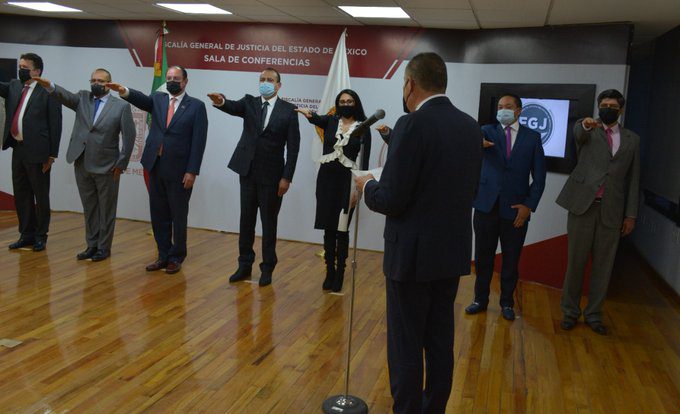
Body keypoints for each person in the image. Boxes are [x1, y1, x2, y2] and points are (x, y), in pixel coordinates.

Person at [355, 52, 482, 414]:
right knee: (440, 341)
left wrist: (367, 185)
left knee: (406, 345)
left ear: (410, 84)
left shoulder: (411, 124)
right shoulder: (470, 126)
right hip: (451, 253)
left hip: (411, 258)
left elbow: (392, 200)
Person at [106, 66, 208, 274]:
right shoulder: (158, 99)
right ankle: (163, 254)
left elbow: (199, 142)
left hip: (180, 170)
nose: (171, 81)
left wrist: (192, 171)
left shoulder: (196, 106)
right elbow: (141, 100)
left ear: (185, 82)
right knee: (158, 213)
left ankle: (176, 256)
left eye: (176, 78)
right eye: (169, 78)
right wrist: (124, 90)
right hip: (155, 165)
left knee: (178, 215)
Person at [556, 89, 640, 335]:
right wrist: (584, 124)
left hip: (612, 211)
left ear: (621, 110)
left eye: (613, 106)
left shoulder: (632, 139)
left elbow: (634, 179)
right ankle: (570, 312)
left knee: (604, 267)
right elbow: (578, 133)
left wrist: (631, 215)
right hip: (583, 207)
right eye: (604, 105)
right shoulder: (588, 129)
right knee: (576, 263)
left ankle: (594, 314)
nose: (608, 109)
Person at [207, 67, 300, 287]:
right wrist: (221, 101)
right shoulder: (249, 102)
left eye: (270, 80)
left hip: (273, 177)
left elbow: (293, 148)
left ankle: (267, 268)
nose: (265, 83)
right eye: (262, 79)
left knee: (269, 224)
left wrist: (286, 177)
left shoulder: (289, 110)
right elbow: (231, 106)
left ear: (278, 85)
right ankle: (244, 265)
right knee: (246, 221)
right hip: (247, 172)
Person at [33, 69, 136, 262]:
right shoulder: (82, 98)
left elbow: (129, 137)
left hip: (108, 166)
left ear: (109, 84)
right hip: (82, 162)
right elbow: (64, 96)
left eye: (101, 81)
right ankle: (92, 245)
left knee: (106, 210)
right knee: (89, 208)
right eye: (93, 80)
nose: (96, 83)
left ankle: (103, 248)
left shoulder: (121, 106)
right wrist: (49, 85)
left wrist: (121, 164)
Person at [464, 93, 546, 321]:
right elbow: (467, 153)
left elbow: (539, 178)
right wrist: (476, 145)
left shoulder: (532, 137)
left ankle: (507, 303)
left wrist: (529, 206)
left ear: (519, 110)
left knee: (511, 259)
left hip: (516, 209)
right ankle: (480, 299)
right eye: (500, 106)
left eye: (508, 106)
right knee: (483, 258)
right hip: (485, 207)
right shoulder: (485, 131)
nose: (503, 110)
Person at [295, 89, 372, 293]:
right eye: (342, 101)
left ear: (356, 103)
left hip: (348, 183)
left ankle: (340, 274)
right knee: (328, 228)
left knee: (342, 229)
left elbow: (364, 163)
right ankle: (329, 271)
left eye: (350, 101)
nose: (346, 104)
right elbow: (316, 118)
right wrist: (308, 113)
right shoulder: (330, 121)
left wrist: (359, 191)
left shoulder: (363, 128)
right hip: (326, 180)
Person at [0, 53, 62, 252]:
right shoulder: (14, 86)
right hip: (18, 149)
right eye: (20, 66)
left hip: (39, 152)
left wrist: (52, 155)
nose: (21, 70)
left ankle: (40, 236)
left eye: (25, 67)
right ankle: (26, 234)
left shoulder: (48, 91)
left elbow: (56, 125)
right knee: (21, 194)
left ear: (37, 71)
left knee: (40, 195)